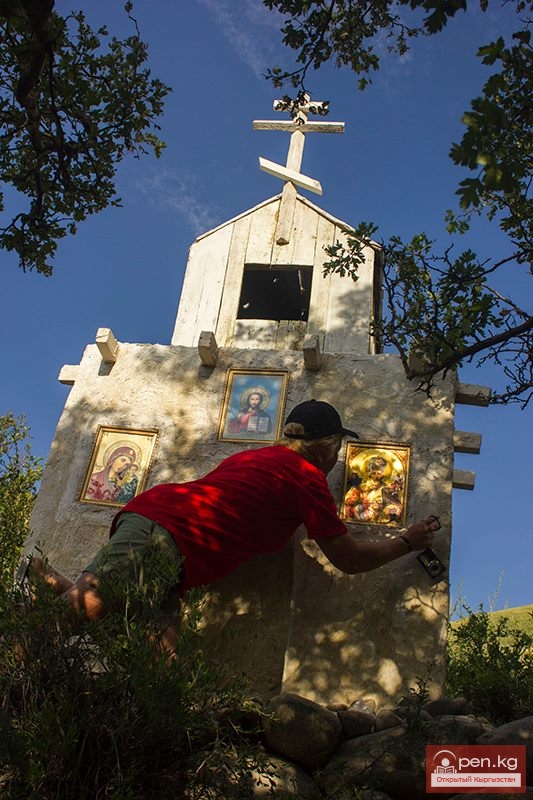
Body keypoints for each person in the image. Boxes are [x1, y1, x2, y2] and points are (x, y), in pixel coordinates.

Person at [28, 400, 440, 655]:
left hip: (167, 548)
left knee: (162, 668)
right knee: (86, 609)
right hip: (162, 536)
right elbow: (347, 557)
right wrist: (406, 541)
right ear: (327, 446)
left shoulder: (256, 459)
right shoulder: (306, 476)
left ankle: (58, 582)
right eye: (337, 447)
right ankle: (16, 660)